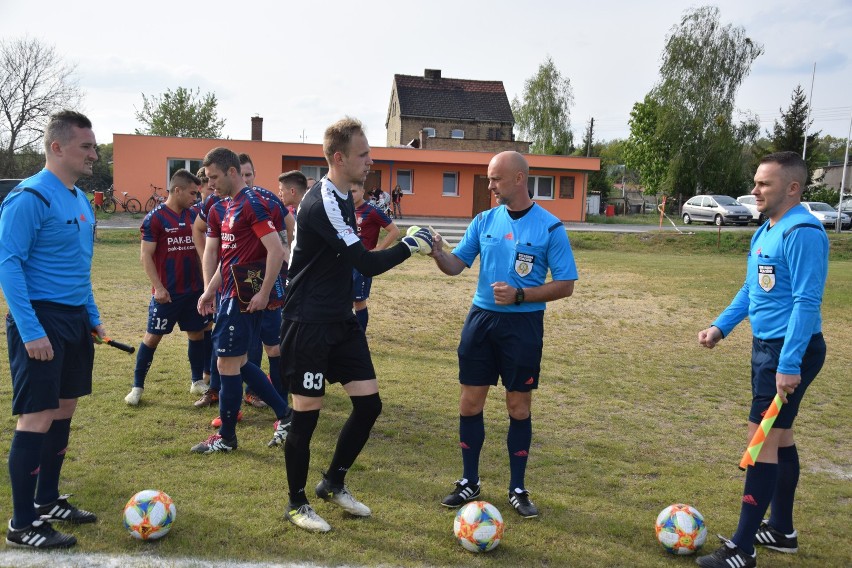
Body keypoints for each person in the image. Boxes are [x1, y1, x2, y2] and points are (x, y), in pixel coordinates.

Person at [280, 117, 433, 532]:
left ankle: (332, 482)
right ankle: (296, 503)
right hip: (307, 323)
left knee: (369, 405)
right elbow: (364, 261)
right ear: (339, 158)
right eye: (363, 154)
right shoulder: (322, 201)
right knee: (306, 417)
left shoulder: (346, 196)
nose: (371, 160)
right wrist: (409, 245)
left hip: (340, 319)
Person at [695, 151, 828, 568]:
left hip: (791, 350)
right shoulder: (765, 230)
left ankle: (742, 547)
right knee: (780, 438)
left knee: (761, 443)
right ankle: (782, 531)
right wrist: (720, 327)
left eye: (763, 184)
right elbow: (750, 290)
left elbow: (807, 301)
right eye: (755, 182)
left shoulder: (803, 232)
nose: (754, 190)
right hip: (768, 349)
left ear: (792, 187)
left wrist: (789, 363)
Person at [429, 150, 577, 519]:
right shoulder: (483, 221)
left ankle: (517, 488)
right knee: (469, 403)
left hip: (522, 326)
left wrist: (521, 295)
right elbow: (455, 265)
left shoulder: (550, 227)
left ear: (519, 179)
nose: (490, 185)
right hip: (481, 320)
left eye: (495, 178)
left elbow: (566, 285)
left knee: (518, 406)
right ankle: (469, 481)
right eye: (489, 178)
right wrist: (435, 251)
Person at [0, 110, 104, 549]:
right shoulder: (29, 198)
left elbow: (80, 268)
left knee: (64, 410)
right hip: (40, 321)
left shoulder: (80, 198)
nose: (95, 155)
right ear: (56, 147)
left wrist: (92, 316)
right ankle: (23, 524)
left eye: (94, 147)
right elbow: (9, 264)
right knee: (37, 416)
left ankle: (47, 501)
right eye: (86, 147)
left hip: (74, 320)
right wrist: (31, 330)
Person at [191, 147, 293, 454]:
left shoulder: (251, 204)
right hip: (229, 294)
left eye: (214, 177)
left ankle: (228, 438)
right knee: (239, 362)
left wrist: (263, 293)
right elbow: (231, 259)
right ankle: (286, 416)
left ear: (231, 172)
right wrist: (210, 289)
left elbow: (275, 250)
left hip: (244, 298)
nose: (210, 184)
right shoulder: (228, 206)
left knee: (226, 363)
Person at [125, 169, 210, 406]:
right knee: (153, 338)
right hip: (167, 295)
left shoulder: (195, 215)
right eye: (193, 193)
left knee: (196, 334)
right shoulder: (155, 218)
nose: (196, 197)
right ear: (177, 190)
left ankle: (196, 382)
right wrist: (158, 287)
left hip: (194, 291)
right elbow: (146, 256)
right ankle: (137, 387)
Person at [239, 153, 295, 409]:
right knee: (238, 346)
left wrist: (285, 255)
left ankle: (278, 400)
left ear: (254, 174)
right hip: (234, 284)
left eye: (248, 174)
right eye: (240, 174)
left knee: (273, 345)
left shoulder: (267, 198)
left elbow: (289, 222)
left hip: (268, 281)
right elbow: (202, 230)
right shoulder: (219, 203)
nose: (245, 179)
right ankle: (236, 394)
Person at [350, 181, 400, 330]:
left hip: (363, 263)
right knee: (343, 300)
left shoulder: (372, 210)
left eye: (353, 191)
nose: (350, 195)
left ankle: (360, 337)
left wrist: (378, 249)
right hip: (346, 261)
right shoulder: (344, 209)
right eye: (347, 191)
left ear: (362, 191)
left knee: (358, 302)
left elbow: (394, 231)